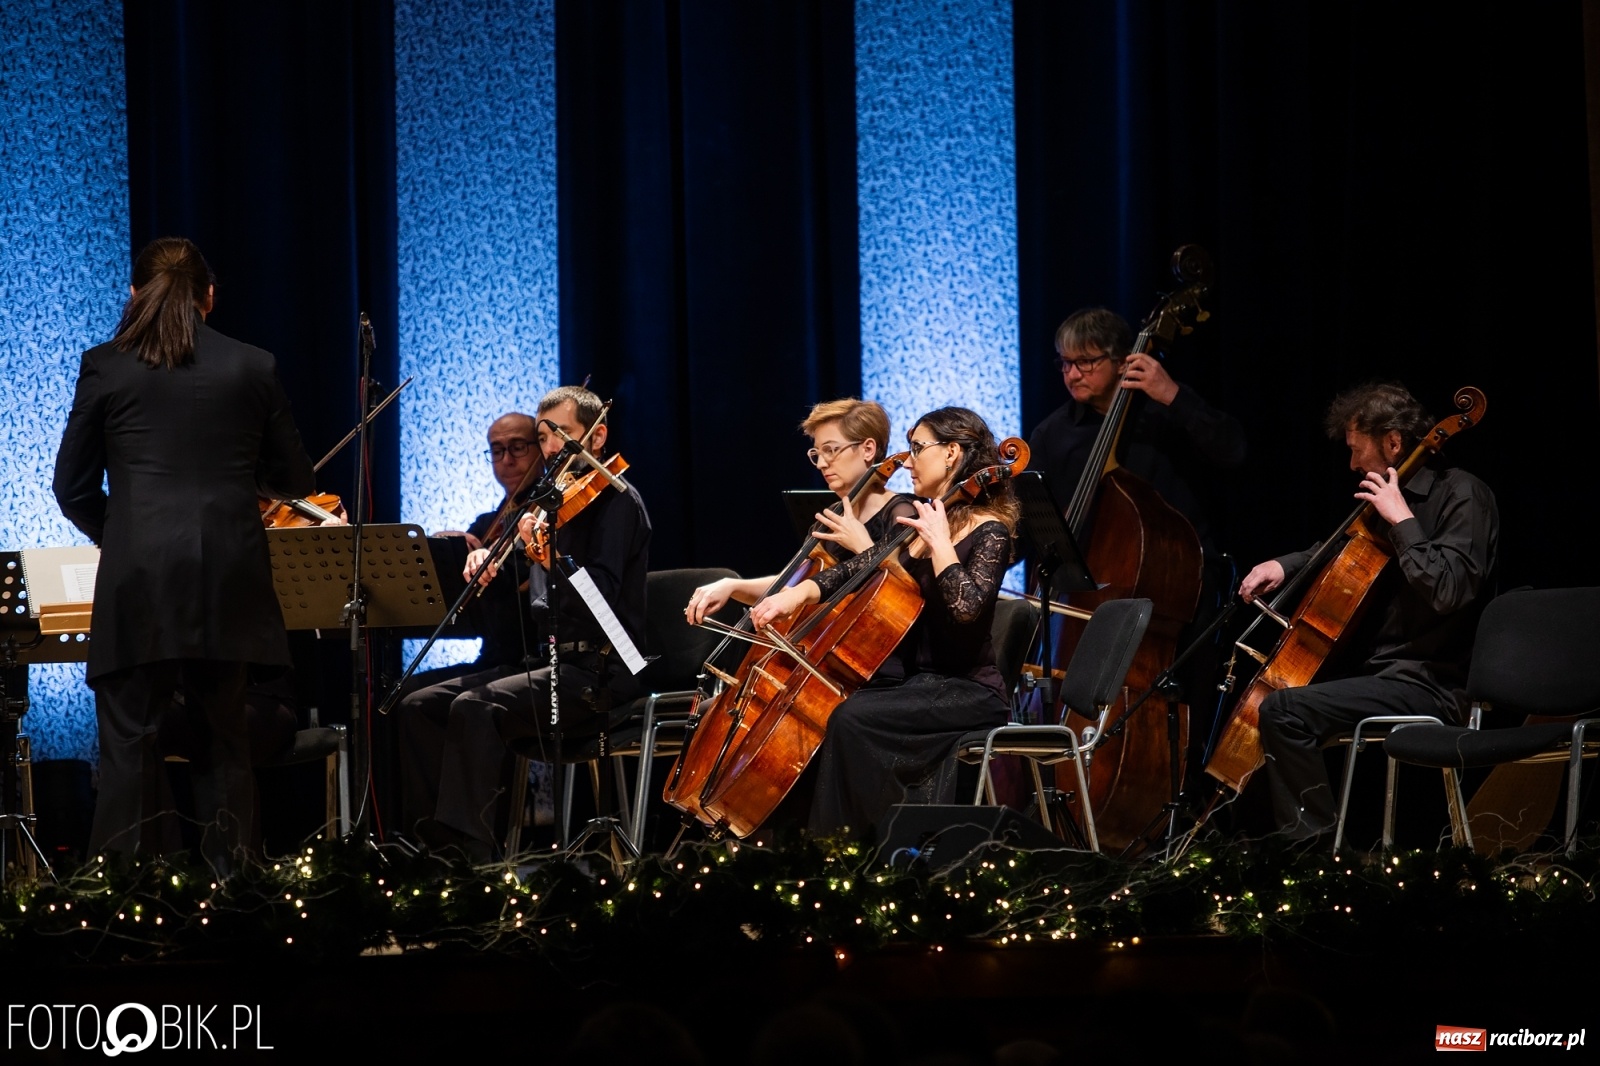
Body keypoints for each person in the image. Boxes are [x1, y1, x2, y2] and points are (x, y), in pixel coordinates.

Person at [53, 236, 315, 867]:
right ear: (210, 297)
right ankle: (235, 906)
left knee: (129, 746)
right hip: (229, 574)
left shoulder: (105, 366)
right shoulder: (253, 365)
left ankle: (123, 911)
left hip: (138, 577)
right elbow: (299, 482)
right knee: (225, 743)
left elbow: (71, 487)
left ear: (134, 294)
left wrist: (119, 533)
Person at [1237, 382, 1498, 842]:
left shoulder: (1464, 495)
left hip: (1431, 683)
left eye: (1358, 450)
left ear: (1393, 442)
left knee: (1284, 711)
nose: (1353, 464)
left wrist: (1403, 521)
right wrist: (1283, 564)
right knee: (1265, 702)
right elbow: (1340, 547)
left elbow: (1450, 591)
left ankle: (1313, 861)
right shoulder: (1382, 502)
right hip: (1379, 676)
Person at [400, 385, 650, 855]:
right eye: (545, 435)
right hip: (547, 662)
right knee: (419, 706)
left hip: (602, 670)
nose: (552, 446)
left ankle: (469, 858)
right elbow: (520, 596)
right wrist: (486, 562)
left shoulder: (616, 500)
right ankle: (427, 849)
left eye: (562, 433)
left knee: (475, 706)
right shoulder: (546, 505)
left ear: (597, 438)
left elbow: (603, 602)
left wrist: (551, 555)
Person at [749, 407, 1018, 835]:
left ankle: (859, 856)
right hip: (915, 683)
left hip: (967, 689)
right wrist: (798, 593)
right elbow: (858, 568)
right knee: (829, 713)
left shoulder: (990, 531)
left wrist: (940, 544)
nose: (907, 461)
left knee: (853, 720)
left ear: (951, 453)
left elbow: (966, 610)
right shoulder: (917, 525)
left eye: (917, 449)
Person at [1028, 306, 1244, 555]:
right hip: (1087, 583)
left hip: (1177, 567)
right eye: (1066, 362)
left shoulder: (1165, 408)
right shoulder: (1051, 433)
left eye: (1085, 362)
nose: (1073, 375)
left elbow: (1233, 450)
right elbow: (1029, 523)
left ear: (1122, 362)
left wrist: (1174, 397)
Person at [684, 398, 906, 625]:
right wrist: (732, 586)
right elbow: (791, 584)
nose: (821, 463)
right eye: (817, 453)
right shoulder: (831, 516)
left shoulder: (902, 513)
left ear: (868, 449)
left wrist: (862, 546)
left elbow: (901, 595)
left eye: (831, 450)